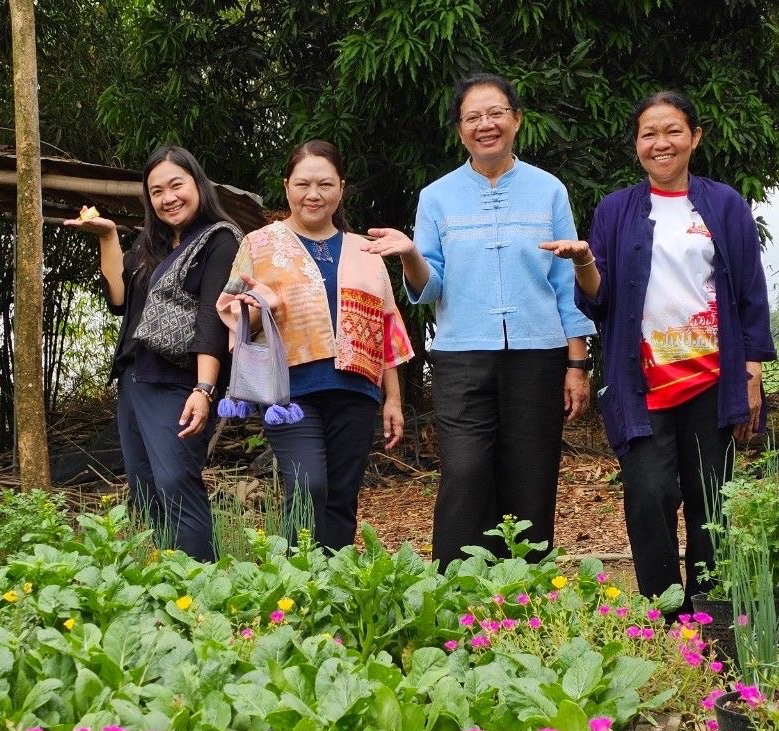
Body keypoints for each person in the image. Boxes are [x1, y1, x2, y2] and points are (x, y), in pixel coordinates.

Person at [542, 90, 775, 607]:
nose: (660, 142)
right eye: (649, 133)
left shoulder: (725, 204)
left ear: (695, 137)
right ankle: (665, 615)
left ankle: (711, 617)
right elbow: (599, 303)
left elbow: (750, 293)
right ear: (636, 145)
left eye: (672, 130)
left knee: (709, 500)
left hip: (713, 380)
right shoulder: (616, 209)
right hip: (641, 382)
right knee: (649, 496)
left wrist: (752, 372)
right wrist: (583, 262)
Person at [363, 73, 595, 568]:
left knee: (531, 474)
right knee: (466, 471)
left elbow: (565, 279)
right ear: (459, 129)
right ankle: (457, 589)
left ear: (516, 119)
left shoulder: (548, 190)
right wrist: (408, 254)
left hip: (539, 353)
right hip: (462, 355)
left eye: (495, 114)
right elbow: (430, 288)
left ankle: (525, 593)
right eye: (472, 117)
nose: (485, 125)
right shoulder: (437, 196)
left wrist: (577, 362)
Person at [217, 140, 413, 551]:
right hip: (289, 392)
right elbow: (230, 314)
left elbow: (386, 325)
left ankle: (334, 589)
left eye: (325, 184)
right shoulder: (259, 244)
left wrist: (392, 398)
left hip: (357, 390)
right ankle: (296, 579)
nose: (314, 193)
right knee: (309, 487)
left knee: (342, 496)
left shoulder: (366, 249)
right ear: (286, 186)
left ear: (341, 188)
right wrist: (260, 306)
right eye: (303, 183)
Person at [65, 145, 240, 562]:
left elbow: (212, 318)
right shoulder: (152, 244)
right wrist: (108, 237)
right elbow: (120, 299)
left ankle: (201, 584)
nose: (168, 197)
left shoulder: (219, 240)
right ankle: (171, 580)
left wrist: (204, 388)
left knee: (176, 479)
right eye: (157, 191)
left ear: (198, 184)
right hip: (134, 379)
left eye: (176, 185)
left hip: (178, 380)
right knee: (146, 488)